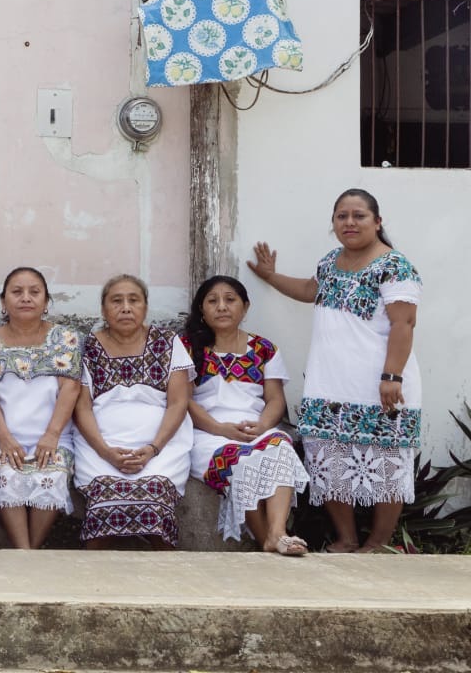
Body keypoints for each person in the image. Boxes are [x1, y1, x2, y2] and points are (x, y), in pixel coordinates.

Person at [247, 188, 421, 553]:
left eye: (359, 215)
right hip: (329, 384)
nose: (350, 222)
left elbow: (404, 324)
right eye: (342, 216)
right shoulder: (330, 262)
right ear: (334, 224)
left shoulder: (395, 266)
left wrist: (392, 376)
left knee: (388, 465)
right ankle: (346, 538)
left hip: (380, 385)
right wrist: (270, 277)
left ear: (377, 221)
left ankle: (376, 543)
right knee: (329, 462)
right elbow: (311, 289)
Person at [183, 275, 310, 555]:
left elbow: (275, 399)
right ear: (201, 309)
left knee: (280, 447)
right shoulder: (188, 347)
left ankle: (278, 533)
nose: (222, 307)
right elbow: (183, 401)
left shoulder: (264, 349)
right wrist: (220, 429)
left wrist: (262, 426)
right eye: (212, 301)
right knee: (239, 460)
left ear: (245, 307)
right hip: (206, 435)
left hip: (255, 429)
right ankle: (269, 539)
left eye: (230, 300)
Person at [72, 274, 194, 550]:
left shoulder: (167, 341)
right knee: (104, 498)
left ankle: (166, 580)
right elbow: (82, 406)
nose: (125, 307)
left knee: (155, 495)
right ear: (103, 310)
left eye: (133, 300)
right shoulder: (87, 347)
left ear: (145, 307)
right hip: (100, 447)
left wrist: (153, 448)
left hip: (161, 447)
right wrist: (106, 452)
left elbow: (178, 402)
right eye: (116, 301)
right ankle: (94, 582)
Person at [0, 267, 82, 550]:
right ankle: (25, 552)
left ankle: (29, 553)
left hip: (53, 434)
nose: (26, 298)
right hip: (2, 434)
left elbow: (70, 388)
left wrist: (51, 435)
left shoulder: (66, 339)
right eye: (17, 292)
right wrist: (4, 438)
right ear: (3, 302)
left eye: (34, 292)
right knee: (5, 474)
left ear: (46, 302)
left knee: (53, 474)